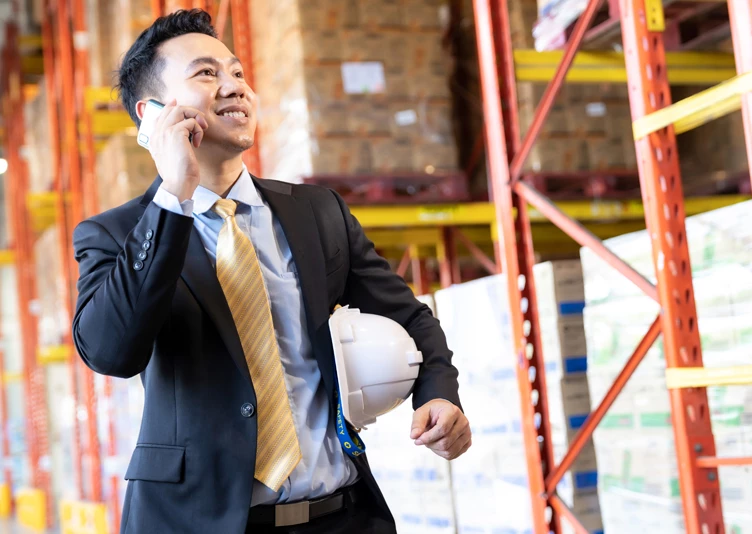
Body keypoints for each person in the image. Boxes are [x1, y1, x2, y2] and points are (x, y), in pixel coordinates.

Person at [71, 8, 470, 534]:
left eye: (236, 72)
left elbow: (410, 317)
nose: (234, 87)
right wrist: (173, 198)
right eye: (205, 74)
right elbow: (110, 351)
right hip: (199, 522)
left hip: (341, 516)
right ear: (152, 114)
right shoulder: (117, 234)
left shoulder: (317, 212)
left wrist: (439, 392)